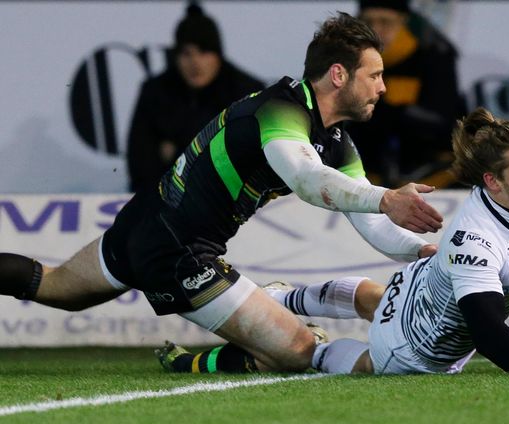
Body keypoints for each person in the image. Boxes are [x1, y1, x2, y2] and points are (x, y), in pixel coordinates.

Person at [0, 12, 444, 375]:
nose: (383, 87)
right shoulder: (282, 111)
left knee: (57, 287)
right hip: (180, 254)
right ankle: (253, 318)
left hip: (147, 221)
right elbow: (309, 182)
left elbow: (370, 222)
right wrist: (386, 197)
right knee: (301, 351)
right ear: (338, 74)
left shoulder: (335, 140)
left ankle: (235, 327)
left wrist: (427, 253)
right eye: (376, 75)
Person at [159, 107, 509, 376]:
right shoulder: (474, 236)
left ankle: (281, 297)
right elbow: (489, 334)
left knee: (374, 296)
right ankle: (229, 356)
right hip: (418, 346)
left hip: (421, 282)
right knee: (314, 354)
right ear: (492, 183)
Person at [127, 1, 266, 193]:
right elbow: (140, 166)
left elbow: (254, 162)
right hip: (166, 204)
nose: (195, 63)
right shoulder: (155, 93)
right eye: (187, 53)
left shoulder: (248, 92)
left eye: (204, 52)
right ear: (176, 57)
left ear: (217, 55)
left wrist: (175, 151)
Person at [346, 0, 464, 188]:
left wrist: (389, 114)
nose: (375, 30)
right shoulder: (348, 57)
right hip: (367, 173)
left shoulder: (434, 54)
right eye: (368, 22)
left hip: (432, 173)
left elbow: (442, 122)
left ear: (404, 21)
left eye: (385, 22)